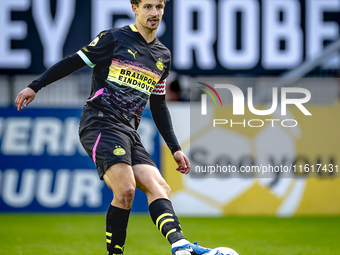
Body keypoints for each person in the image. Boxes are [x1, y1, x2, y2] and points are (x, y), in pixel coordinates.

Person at [15, 0, 212, 255]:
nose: (155, 13)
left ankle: (180, 245)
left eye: (160, 7)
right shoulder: (114, 39)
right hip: (100, 122)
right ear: (135, 8)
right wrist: (35, 86)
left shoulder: (163, 55)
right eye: (148, 6)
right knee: (126, 189)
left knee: (160, 187)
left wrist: (175, 148)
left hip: (129, 132)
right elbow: (73, 61)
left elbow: (159, 105)